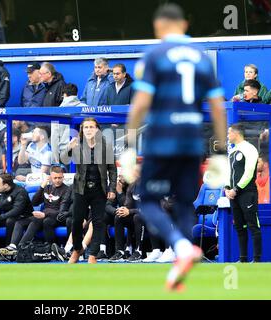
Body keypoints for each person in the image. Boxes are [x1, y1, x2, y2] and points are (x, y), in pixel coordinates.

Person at [124, 3, 227, 290]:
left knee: (147, 201)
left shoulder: (154, 56)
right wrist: (219, 152)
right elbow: (218, 109)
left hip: (161, 141)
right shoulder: (202, 59)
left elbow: (141, 104)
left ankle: (181, 249)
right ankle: (181, 264)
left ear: (159, 27)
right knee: (184, 203)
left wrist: (130, 146)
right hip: (192, 142)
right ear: (184, 25)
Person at [60, 117, 117, 264]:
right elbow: (62, 159)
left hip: (100, 188)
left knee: (98, 222)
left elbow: (112, 170)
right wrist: (68, 148)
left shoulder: (105, 146)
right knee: (77, 221)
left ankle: (93, 254)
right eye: (86, 127)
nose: (89, 130)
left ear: (97, 129)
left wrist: (112, 188)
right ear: (82, 130)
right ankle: (77, 250)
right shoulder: (77, 145)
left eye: (92, 127)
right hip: (80, 188)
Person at [225, 124, 261, 263]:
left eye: (229, 133)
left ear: (236, 133)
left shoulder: (249, 149)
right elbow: (230, 172)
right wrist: (227, 188)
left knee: (253, 226)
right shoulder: (233, 151)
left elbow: (249, 172)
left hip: (247, 192)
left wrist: (236, 189)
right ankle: (243, 259)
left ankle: (257, 260)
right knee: (239, 227)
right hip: (234, 194)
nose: (227, 136)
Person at [0, 173, 33, 261]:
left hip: (23, 218)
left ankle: (8, 251)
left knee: (10, 221)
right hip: (6, 217)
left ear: (6, 185)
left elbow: (16, 211)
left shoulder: (20, 192)